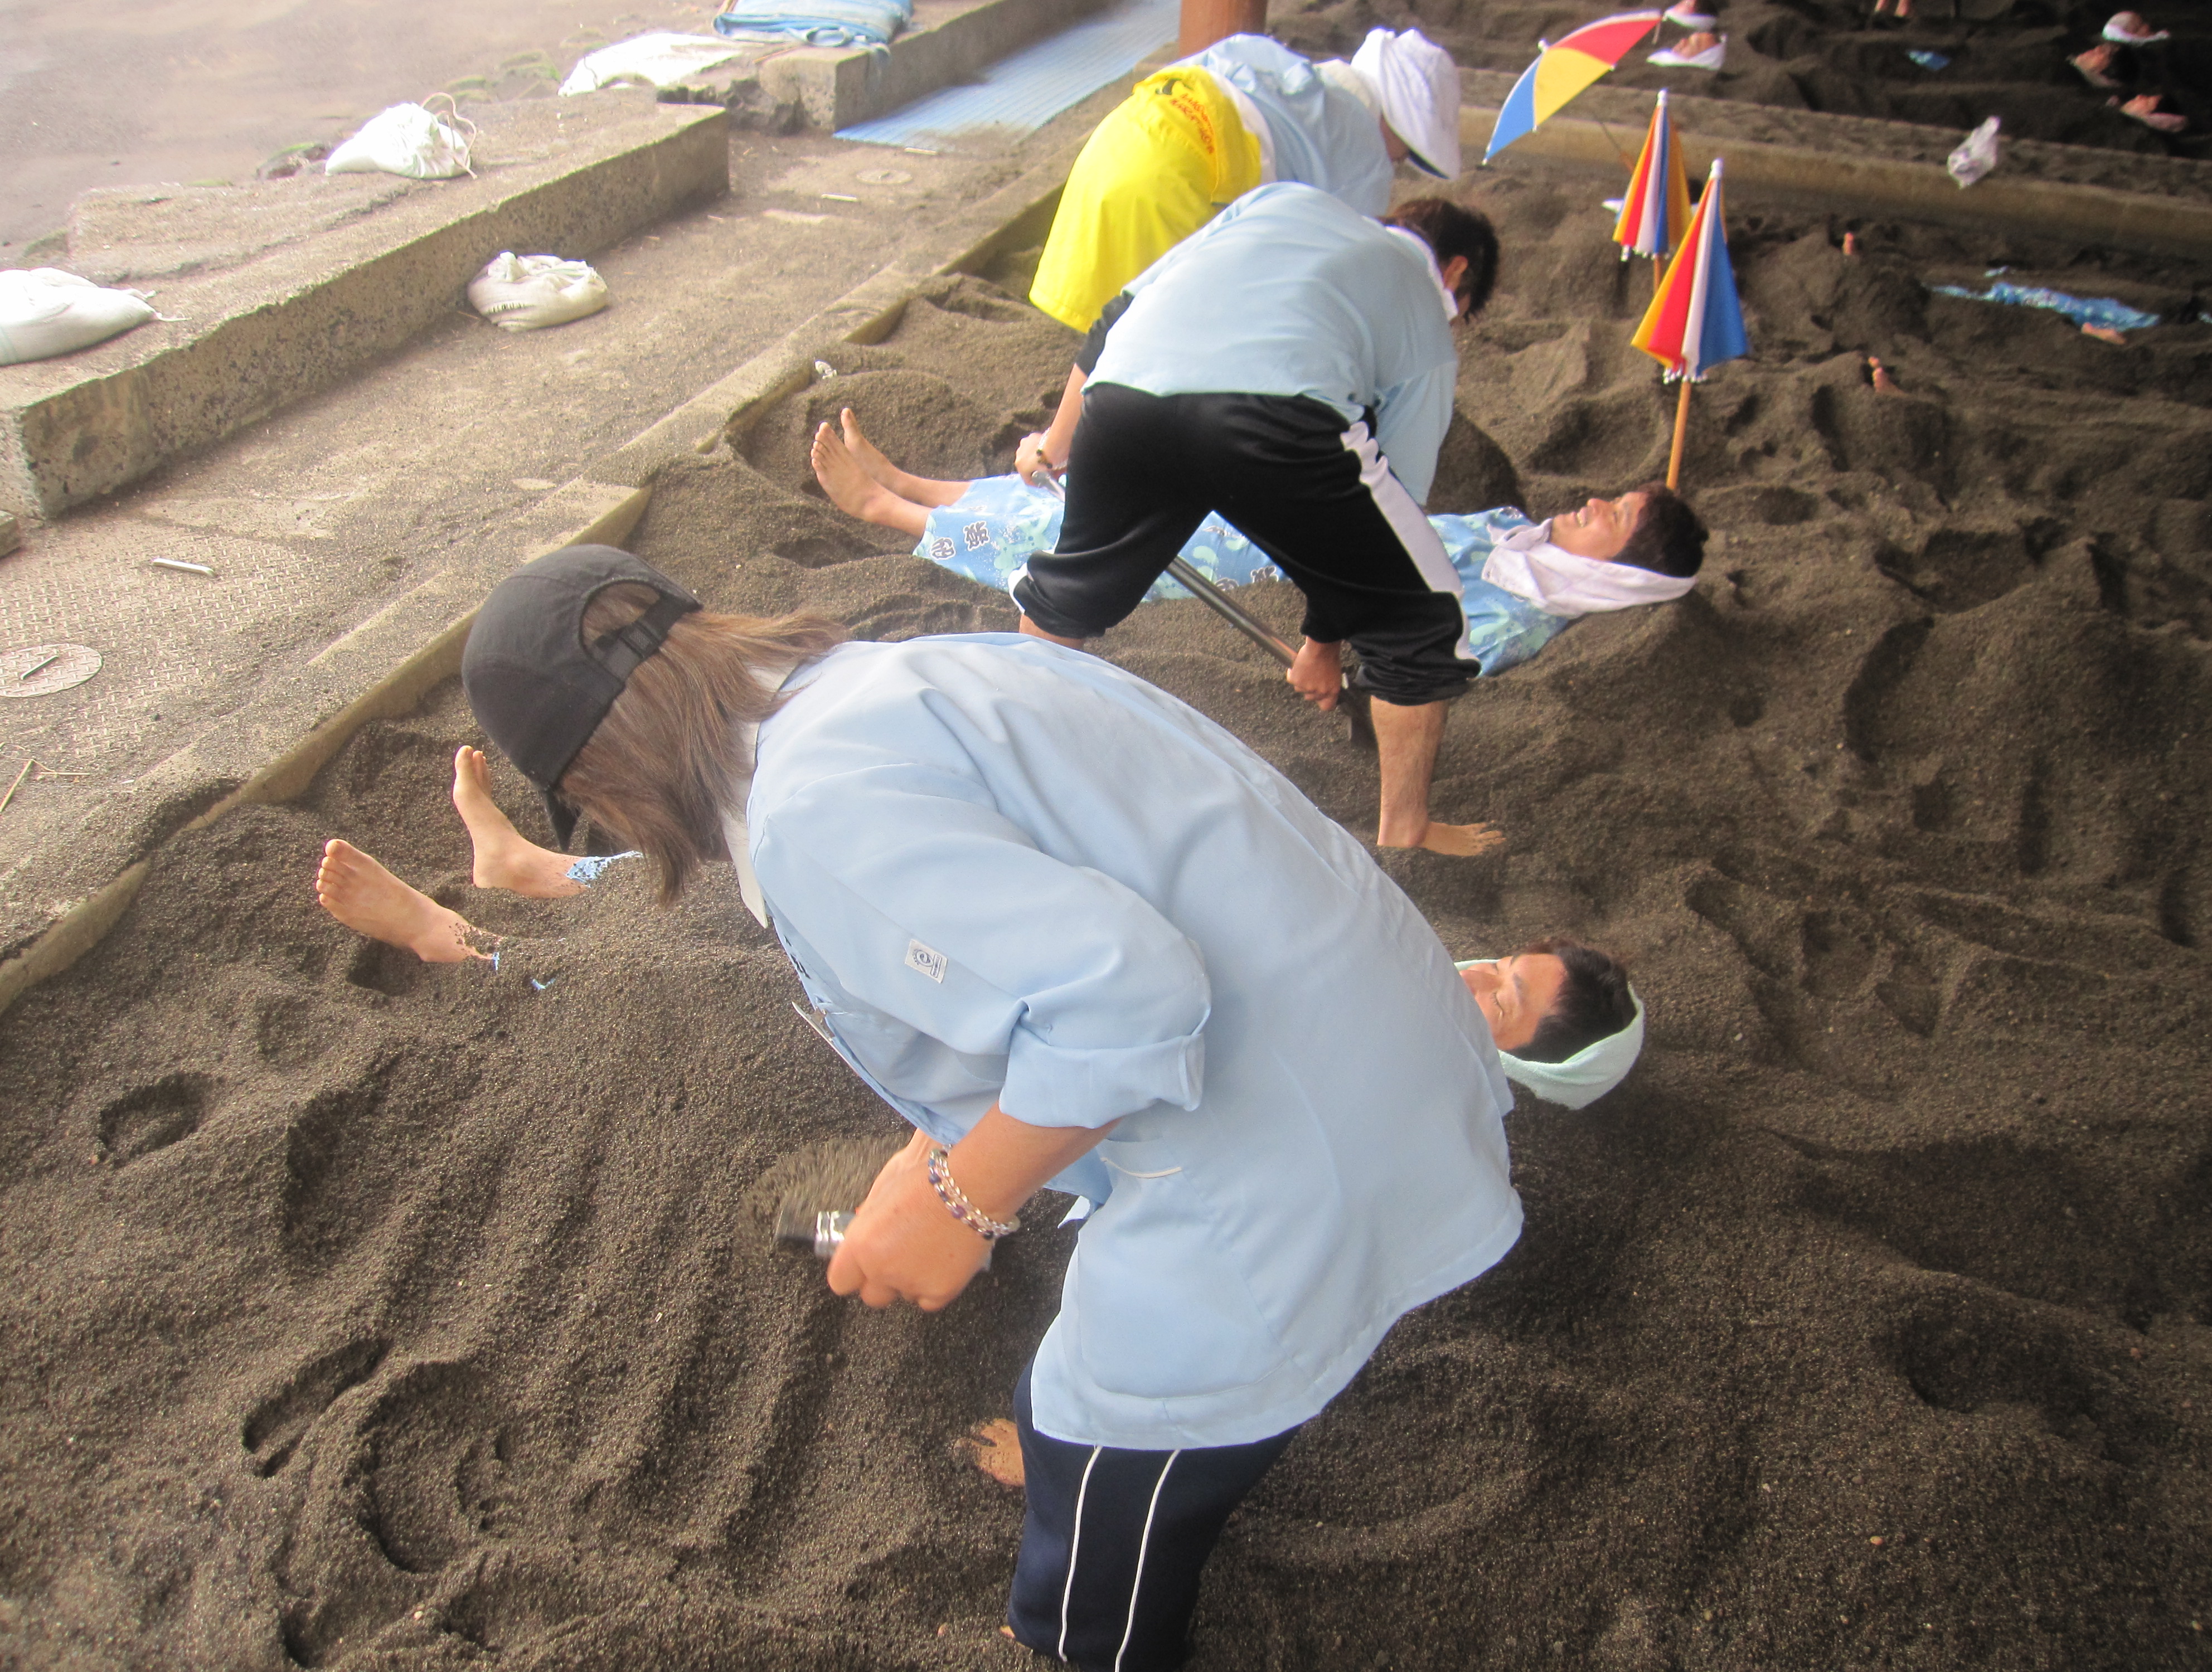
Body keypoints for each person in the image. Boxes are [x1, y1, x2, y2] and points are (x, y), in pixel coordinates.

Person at [316, 542, 1646, 1672]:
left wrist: (961, 1198)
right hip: (1381, 1046)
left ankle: (1089, 1556)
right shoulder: (899, 674)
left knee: (1108, 1496)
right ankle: (1107, 1446)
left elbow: (1129, 1002)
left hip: (1284, 1161)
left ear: (606, 773)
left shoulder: (811, 811)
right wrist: (937, 1148)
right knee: (1152, 1380)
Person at [1005, 184, 1517, 854]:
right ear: (1455, 273)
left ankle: (1017, 767)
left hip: (1126, 391)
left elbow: (1118, 315)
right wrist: (1323, 644)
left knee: (1069, 592)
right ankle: (1406, 832)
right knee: (1422, 622)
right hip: (1273, 416)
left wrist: (1054, 444)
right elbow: (1380, 525)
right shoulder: (1424, 312)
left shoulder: (1281, 201)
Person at [809, 406, 1707, 688]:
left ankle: (890, 512)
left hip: (1276, 560)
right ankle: (919, 485)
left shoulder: (1517, 615)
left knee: (1083, 534)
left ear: (1614, 573)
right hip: (1302, 518)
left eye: (1615, 518)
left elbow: (1414, 649)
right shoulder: (1519, 537)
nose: (1595, 503)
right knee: (1103, 489)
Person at [1016, 27, 1461, 485]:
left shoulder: (1276, 64)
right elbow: (1329, 276)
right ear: (1398, 123)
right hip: (1184, 179)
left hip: (1119, 139)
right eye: (1406, 152)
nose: (1398, 163)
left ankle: (1068, 452)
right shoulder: (1364, 157)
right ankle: (1071, 461)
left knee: (1130, 333)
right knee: (1155, 358)